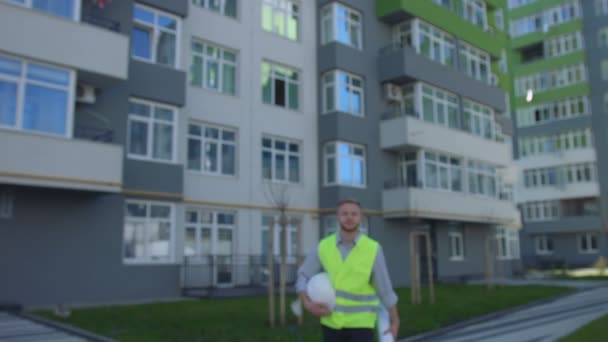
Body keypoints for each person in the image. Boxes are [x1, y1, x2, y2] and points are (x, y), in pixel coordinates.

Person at [296, 199, 400, 342]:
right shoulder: (324, 246)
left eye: (354, 214)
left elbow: (385, 289)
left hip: (361, 326)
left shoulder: (373, 249)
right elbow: (303, 275)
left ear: (361, 218)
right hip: (330, 323)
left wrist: (395, 321)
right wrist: (307, 304)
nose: (349, 217)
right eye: (344, 213)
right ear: (338, 217)